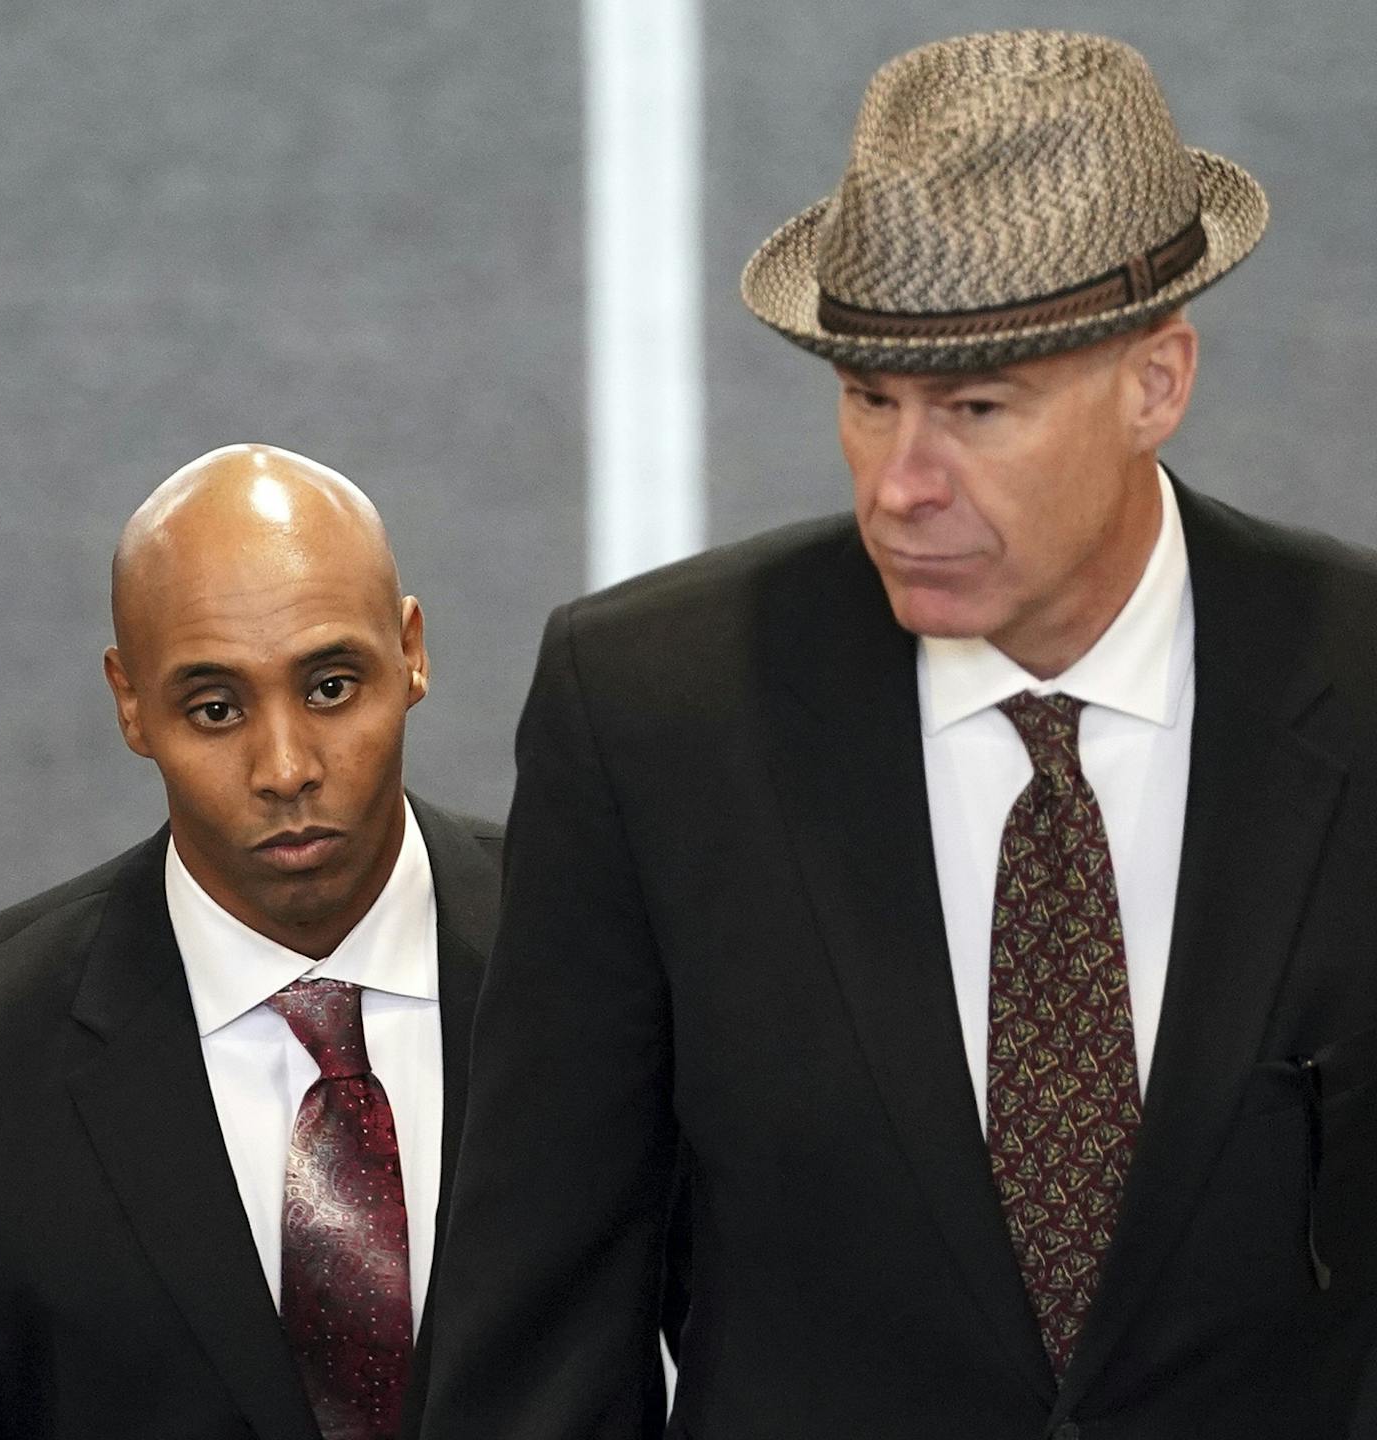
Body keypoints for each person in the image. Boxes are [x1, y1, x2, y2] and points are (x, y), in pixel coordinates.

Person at [421, 29, 1377, 1440]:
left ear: (1155, 383)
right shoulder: (648, 716)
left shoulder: (1357, 680)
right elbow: (544, 1314)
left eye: (976, 409)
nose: (901, 486)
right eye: (870, 401)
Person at [0, 444, 502, 1440]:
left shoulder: (610, 961)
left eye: (331, 687)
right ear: (130, 702)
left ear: (412, 649)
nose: (286, 767)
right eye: (215, 709)